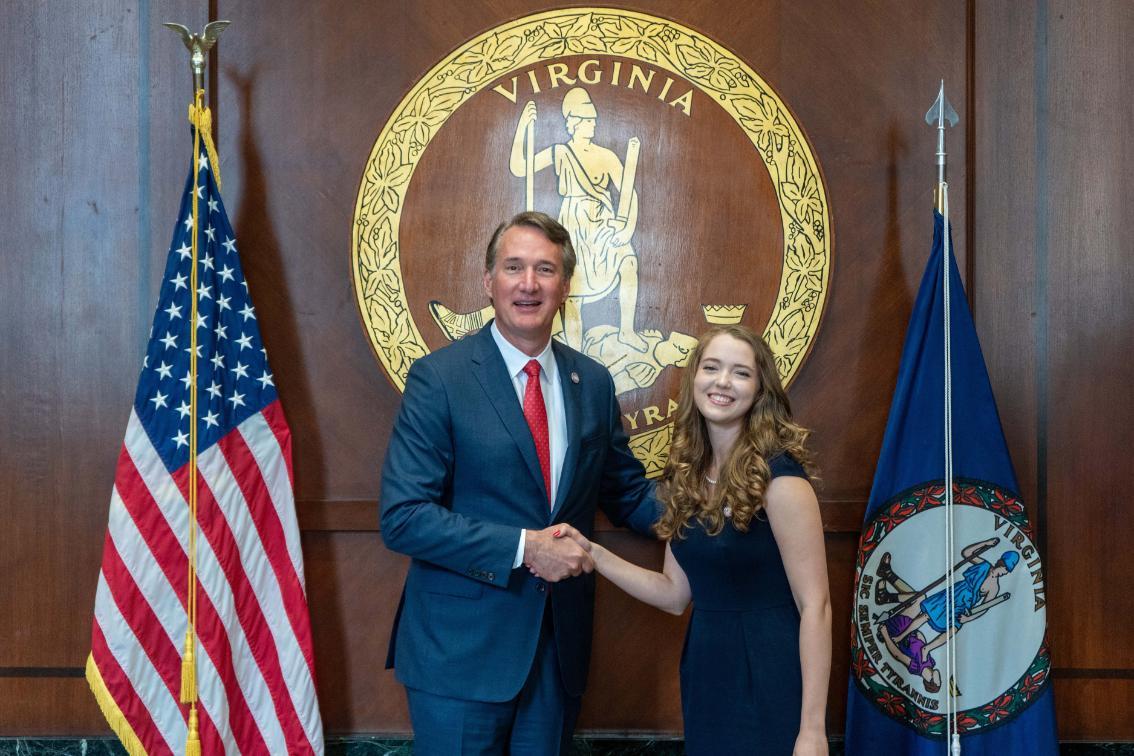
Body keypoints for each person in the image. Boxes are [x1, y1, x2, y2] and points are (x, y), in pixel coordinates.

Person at [380, 211, 658, 755]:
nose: (528, 284)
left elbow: (626, 494)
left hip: (556, 654)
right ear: (489, 282)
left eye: (545, 270)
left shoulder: (592, 383)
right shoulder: (441, 378)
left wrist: (717, 509)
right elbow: (404, 516)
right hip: (459, 657)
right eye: (514, 267)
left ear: (565, 288)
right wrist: (526, 547)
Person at [557, 325, 832, 755]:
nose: (722, 382)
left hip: (769, 668)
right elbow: (673, 593)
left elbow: (816, 607)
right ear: (694, 380)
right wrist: (593, 552)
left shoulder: (781, 481)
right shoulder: (687, 477)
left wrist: (812, 731)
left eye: (740, 373)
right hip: (707, 670)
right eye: (712, 368)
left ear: (760, 391)